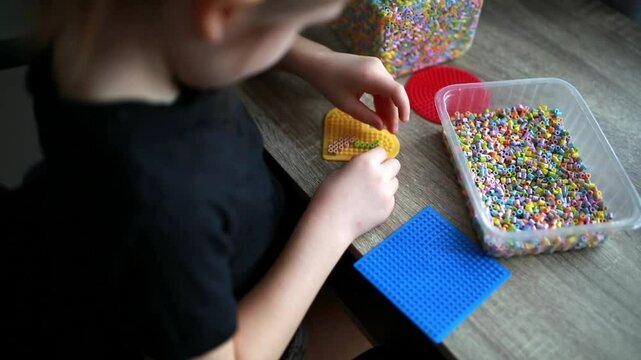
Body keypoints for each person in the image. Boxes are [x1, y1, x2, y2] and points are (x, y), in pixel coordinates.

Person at [5, 0, 410, 358]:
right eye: (286, 27)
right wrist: (333, 224)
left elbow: (192, 24)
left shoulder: (93, 29)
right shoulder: (160, 208)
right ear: (221, 16)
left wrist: (316, 59)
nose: (291, 38)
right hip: (236, 314)